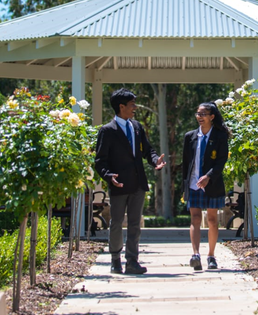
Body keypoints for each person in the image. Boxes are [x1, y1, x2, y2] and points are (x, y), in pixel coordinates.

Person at [95, 88, 166, 274]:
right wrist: (109, 176)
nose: (135, 107)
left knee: (135, 224)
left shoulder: (137, 127)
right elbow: (100, 161)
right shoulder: (107, 131)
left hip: (138, 184)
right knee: (116, 223)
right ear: (121, 106)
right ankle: (115, 260)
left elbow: (147, 150)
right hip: (118, 184)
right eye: (132, 104)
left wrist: (155, 160)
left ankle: (132, 262)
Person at [182, 102, 230, 270]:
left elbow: (221, 161)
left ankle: (211, 255)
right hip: (194, 184)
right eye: (198, 114)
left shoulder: (220, 136)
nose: (199, 117)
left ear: (212, 117)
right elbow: (186, 163)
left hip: (213, 184)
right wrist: (185, 186)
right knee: (194, 218)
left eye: (203, 114)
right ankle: (195, 254)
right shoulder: (190, 136)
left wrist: (209, 177)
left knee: (212, 220)